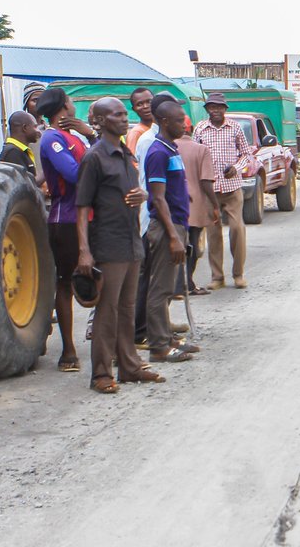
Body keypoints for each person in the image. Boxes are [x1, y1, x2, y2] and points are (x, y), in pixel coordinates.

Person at [74, 98, 163, 393]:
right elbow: (82, 207)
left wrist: (142, 197)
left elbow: (134, 193)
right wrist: (84, 251)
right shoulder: (95, 157)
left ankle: (130, 367)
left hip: (131, 241)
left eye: (125, 114)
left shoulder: (125, 153)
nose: (124, 119)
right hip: (108, 244)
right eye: (117, 115)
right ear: (99, 121)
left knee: (127, 308)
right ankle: (101, 374)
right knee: (107, 310)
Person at [36, 87, 95, 372]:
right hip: (67, 219)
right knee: (65, 282)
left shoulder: (73, 136)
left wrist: (90, 136)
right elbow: (73, 175)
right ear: (63, 107)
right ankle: (68, 351)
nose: (73, 104)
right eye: (71, 101)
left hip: (90, 217)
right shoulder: (52, 138)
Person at [143, 100, 195, 364]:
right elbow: (158, 199)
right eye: (178, 120)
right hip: (166, 228)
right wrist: (174, 237)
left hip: (178, 224)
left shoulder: (170, 148)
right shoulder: (157, 153)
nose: (184, 124)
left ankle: (168, 338)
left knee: (168, 286)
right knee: (160, 289)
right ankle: (159, 346)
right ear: (164, 122)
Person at [193, 92, 255, 290]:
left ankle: (238, 274)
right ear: (207, 109)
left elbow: (246, 154)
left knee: (237, 228)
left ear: (225, 109)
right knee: (213, 232)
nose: (216, 110)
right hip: (209, 190)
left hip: (231, 188)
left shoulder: (235, 127)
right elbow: (195, 155)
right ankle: (217, 277)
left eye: (219, 107)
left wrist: (236, 168)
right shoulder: (200, 129)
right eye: (212, 107)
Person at [175, 133, 220, 296]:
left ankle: (178, 285)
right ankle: (187, 284)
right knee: (192, 245)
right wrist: (215, 205)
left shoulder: (165, 147)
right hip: (194, 204)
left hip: (172, 203)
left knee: (176, 246)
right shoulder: (201, 149)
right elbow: (206, 181)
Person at [0, 111, 43, 186]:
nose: (39, 131)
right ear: (25, 128)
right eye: (35, 127)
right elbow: (26, 186)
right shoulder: (12, 152)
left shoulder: (21, 150)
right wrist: (48, 170)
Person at [125, 87, 154, 155]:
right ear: (134, 109)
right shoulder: (136, 133)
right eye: (139, 104)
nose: (145, 106)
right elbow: (133, 162)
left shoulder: (159, 129)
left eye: (149, 102)